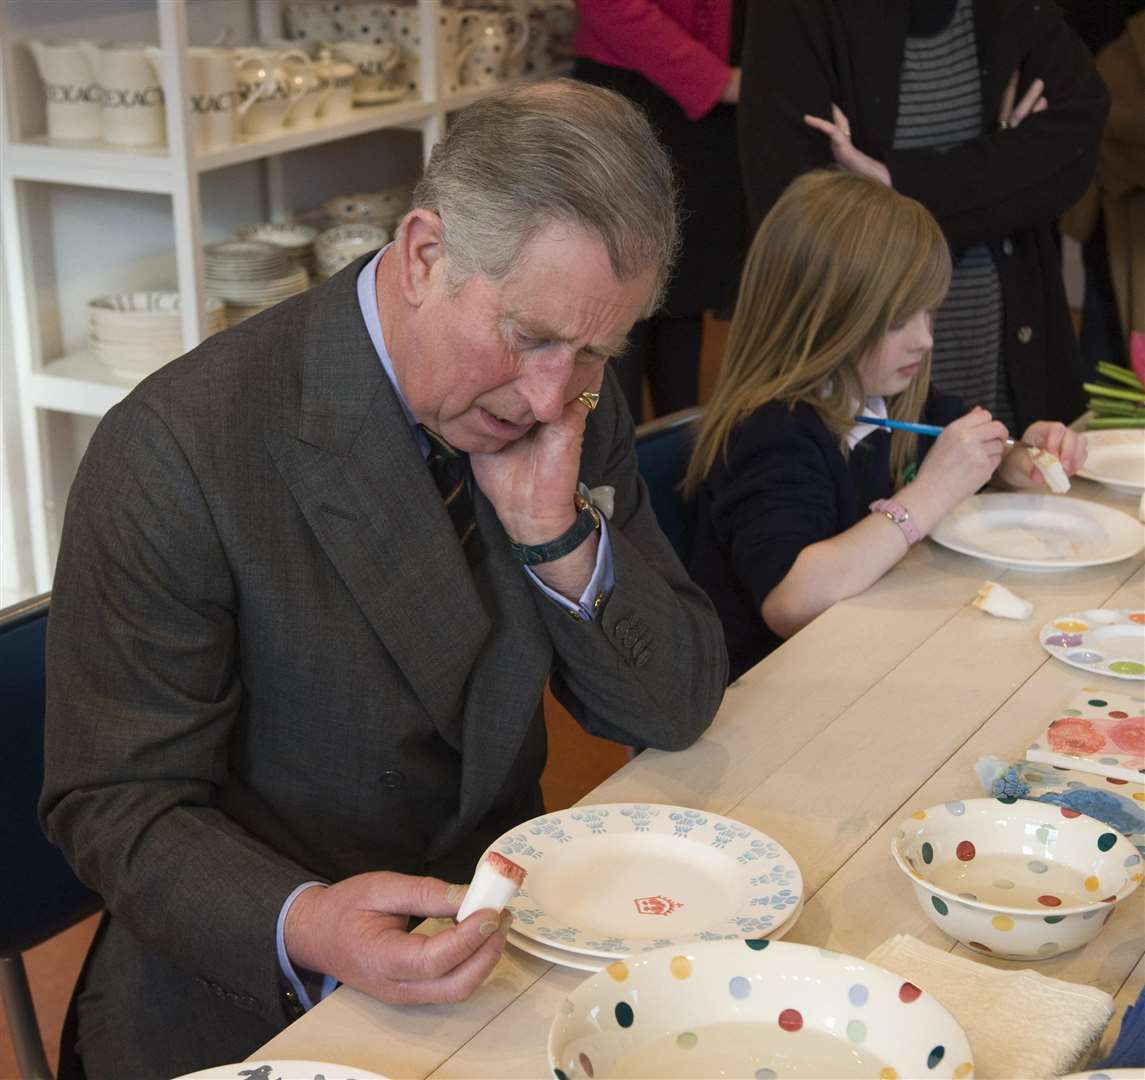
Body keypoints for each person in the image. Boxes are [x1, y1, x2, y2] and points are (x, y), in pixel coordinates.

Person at [40, 80, 728, 1078]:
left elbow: (668, 703)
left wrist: (551, 535)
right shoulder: (180, 449)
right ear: (422, 255)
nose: (549, 392)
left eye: (591, 351)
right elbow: (117, 804)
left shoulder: (572, 391)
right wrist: (308, 923)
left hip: (497, 943)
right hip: (254, 982)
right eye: (528, 334)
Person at [684, 171, 1087, 682]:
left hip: (869, 665)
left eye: (930, 313)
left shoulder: (888, 398)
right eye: (898, 321)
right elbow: (792, 603)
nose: (925, 340)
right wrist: (930, 493)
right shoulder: (769, 433)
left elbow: (975, 451)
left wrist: (1016, 459)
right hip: (776, 697)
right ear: (821, 317)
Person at [737, 0, 1109, 434]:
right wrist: (1006, 161)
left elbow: (1078, 142)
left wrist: (894, 182)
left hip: (1008, 364)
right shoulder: (795, 12)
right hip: (855, 396)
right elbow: (798, 213)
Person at [572, 0, 748, 423]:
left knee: (686, 297)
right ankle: (607, 471)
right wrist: (714, 79)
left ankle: (677, 471)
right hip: (632, 89)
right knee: (614, 306)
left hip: (713, 110)